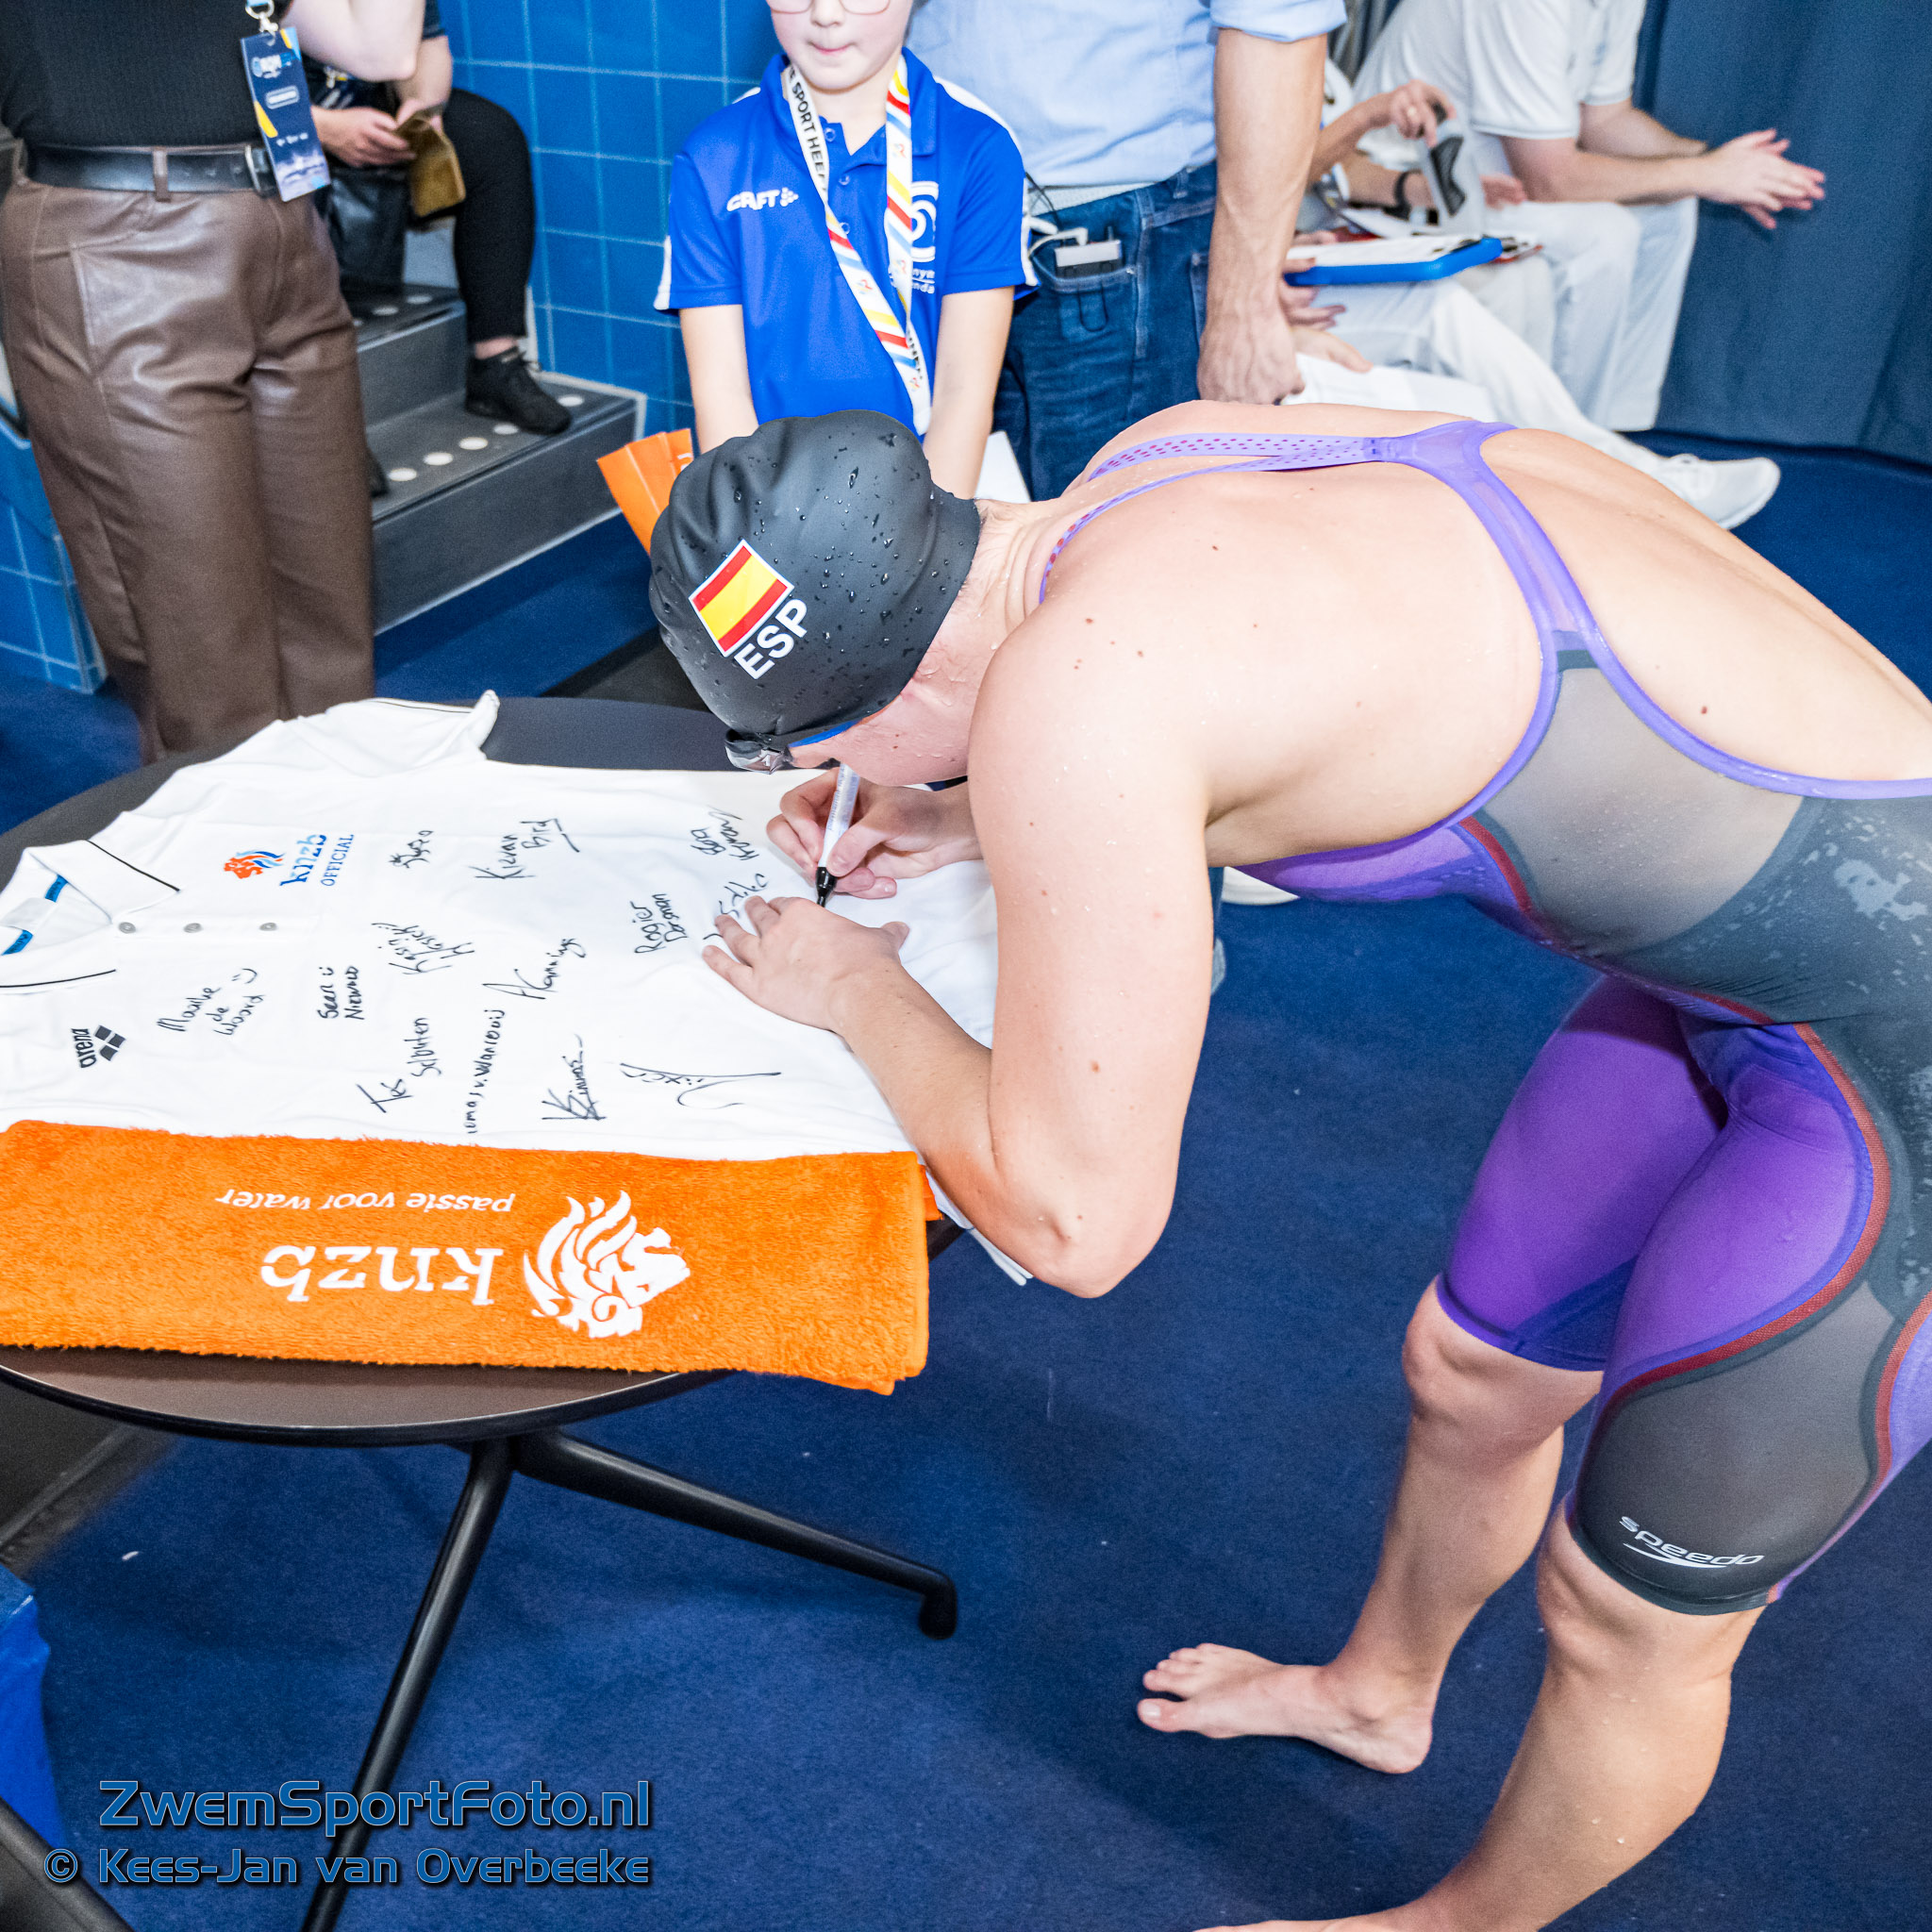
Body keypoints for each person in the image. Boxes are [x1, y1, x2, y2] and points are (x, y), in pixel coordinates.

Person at [643, 403, 1932, 1930]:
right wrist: (976, 810)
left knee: (1628, 1618)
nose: (828, 775)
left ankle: (1460, 1929)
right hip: (1758, 965)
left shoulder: (1080, 700)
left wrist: (856, 987)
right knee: (1474, 1373)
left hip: (1900, 1052)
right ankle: (1380, 1693)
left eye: (818, 746)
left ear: (901, 686)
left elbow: (1075, 1221)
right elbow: (1303, 679)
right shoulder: (1162, 459)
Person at [0, 0, 422, 763]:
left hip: (285, 226)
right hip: (118, 245)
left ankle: (336, 823)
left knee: (330, 636)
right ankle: (234, 834)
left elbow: (381, 50)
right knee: (203, 656)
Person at [1298, 60, 1781, 528]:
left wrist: (1422, 190)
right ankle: (1623, 480)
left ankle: (1578, 468)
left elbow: (1335, 173)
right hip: (1267, 286)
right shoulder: (1268, 44)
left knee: (1515, 281)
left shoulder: (1313, 55)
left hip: (1298, 256)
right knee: (1439, 307)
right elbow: (1278, 175)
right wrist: (1363, 118)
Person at [907, 0, 1348, 496]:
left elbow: (1280, 22)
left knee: (1118, 526)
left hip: (1112, 237)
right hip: (935, 221)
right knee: (974, 525)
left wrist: (1244, 298)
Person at [1355, 0, 1824, 429]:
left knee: (1668, 209)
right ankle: (1568, 442)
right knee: (1604, 234)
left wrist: (1722, 166)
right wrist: (1707, 173)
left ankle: (1618, 429)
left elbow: (1605, 123)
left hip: (1502, 188)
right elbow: (1550, 178)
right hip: (1405, 191)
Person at [658, 0, 1024, 499]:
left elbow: (964, 393)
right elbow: (721, 393)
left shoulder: (977, 148)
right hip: (769, 502)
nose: (826, 14)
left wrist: (927, 534)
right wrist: (759, 527)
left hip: (929, 495)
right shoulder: (713, 156)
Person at [307, 0, 568, 436]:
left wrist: (422, 110)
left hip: (365, 109)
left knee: (491, 138)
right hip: (270, 127)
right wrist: (324, 129)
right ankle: (326, 419)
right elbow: (222, 93)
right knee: (294, 177)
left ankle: (496, 364)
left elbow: (427, 45)